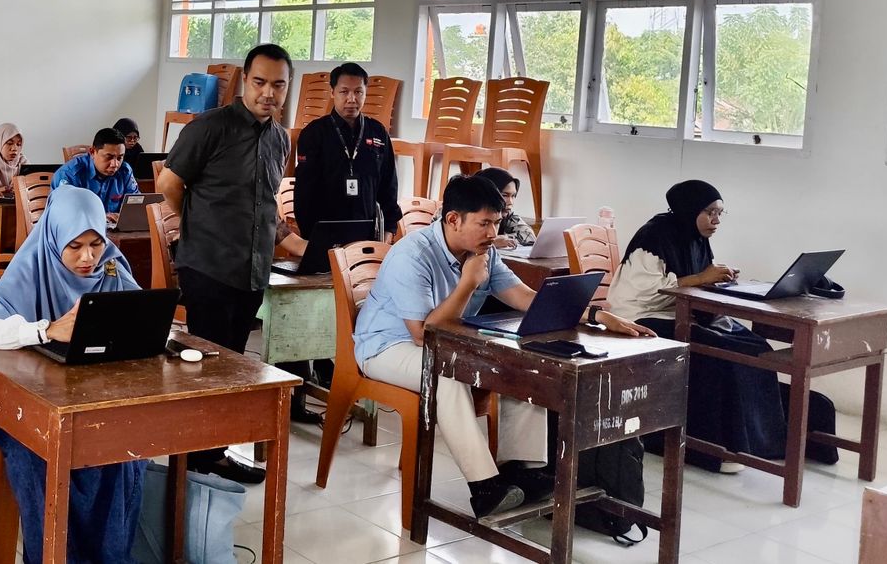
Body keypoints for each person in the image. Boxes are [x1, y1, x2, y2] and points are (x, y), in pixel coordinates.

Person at [354, 175, 653, 516]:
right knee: (447, 376)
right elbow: (425, 331)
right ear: (453, 219)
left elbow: (524, 297)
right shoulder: (414, 254)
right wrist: (468, 282)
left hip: (446, 344)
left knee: (521, 364)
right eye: (484, 223)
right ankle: (483, 488)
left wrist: (595, 314)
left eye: (496, 223)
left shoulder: (485, 251)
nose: (492, 233)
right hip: (386, 347)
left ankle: (521, 470)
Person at [0, 185, 146, 562]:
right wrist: (46, 330)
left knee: (125, 448)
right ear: (54, 237)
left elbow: (141, 311)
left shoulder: (110, 265)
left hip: (88, 398)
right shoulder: (32, 266)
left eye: (95, 243)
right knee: (39, 455)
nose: (88, 258)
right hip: (23, 403)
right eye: (75, 246)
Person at [155, 44, 292, 484]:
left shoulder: (280, 137)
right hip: (208, 264)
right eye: (260, 82)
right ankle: (193, 459)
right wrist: (184, 233)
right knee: (204, 365)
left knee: (231, 365)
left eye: (278, 84)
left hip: (252, 269)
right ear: (244, 82)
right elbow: (169, 184)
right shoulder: (211, 127)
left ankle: (211, 453)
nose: (268, 93)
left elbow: (267, 202)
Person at [606, 180, 790, 472]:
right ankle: (716, 449)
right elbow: (642, 292)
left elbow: (698, 277)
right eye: (710, 213)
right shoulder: (654, 237)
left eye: (720, 213)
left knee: (755, 346)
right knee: (721, 356)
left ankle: (759, 441)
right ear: (690, 210)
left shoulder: (697, 235)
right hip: (642, 315)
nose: (716, 220)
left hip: (682, 312)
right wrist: (702, 278)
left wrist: (716, 277)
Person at [293, 62, 401, 240]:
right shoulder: (314, 133)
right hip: (324, 234)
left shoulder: (377, 132)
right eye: (344, 92)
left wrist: (389, 230)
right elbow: (304, 194)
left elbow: (389, 186)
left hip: (368, 234)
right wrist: (311, 239)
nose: (352, 99)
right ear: (332, 93)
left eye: (358, 92)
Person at [50, 128, 139, 219]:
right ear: (92, 152)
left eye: (120, 158)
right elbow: (64, 215)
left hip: (114, 230)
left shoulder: (125, 171)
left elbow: (135, 203)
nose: (115, 164)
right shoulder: (69, 175)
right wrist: (100, 218)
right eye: (109, 157)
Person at [473, 167, 535, 248]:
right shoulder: (469, 215)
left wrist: (502, 239)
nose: (510, 202)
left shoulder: (507, 216)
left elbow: (529, 235)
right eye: (504, 195)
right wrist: (491, 242)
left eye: (513, 196)